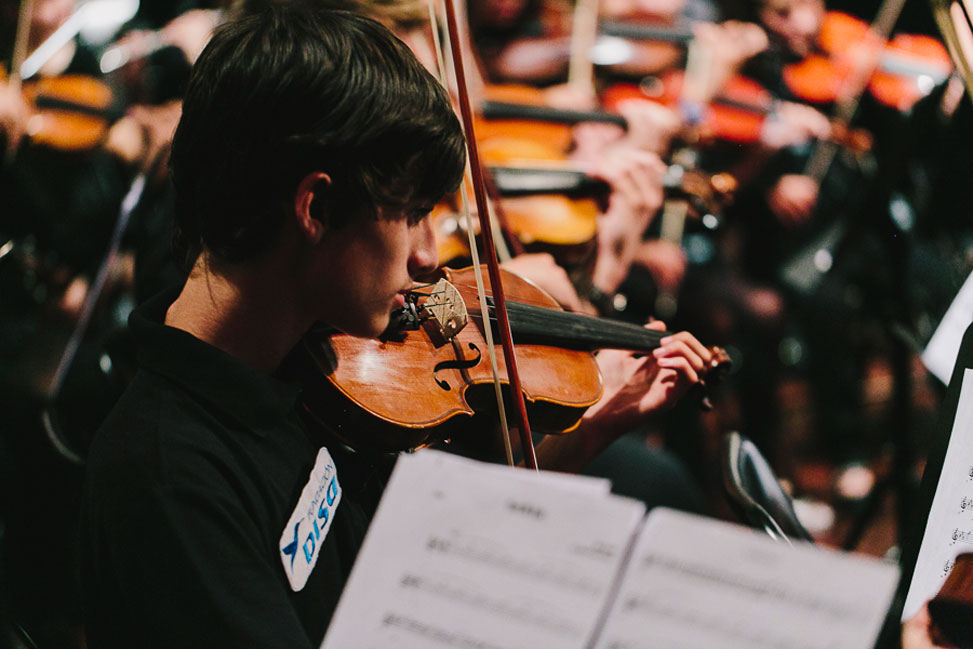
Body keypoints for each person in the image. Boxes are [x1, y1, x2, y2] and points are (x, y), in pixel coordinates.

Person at [81, 4, 713, 647]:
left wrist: (590, 428)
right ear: (317, 207)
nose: (430, 257)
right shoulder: (173, 480)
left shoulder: (306, 360)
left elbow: (409, 550)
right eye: (412, 213)